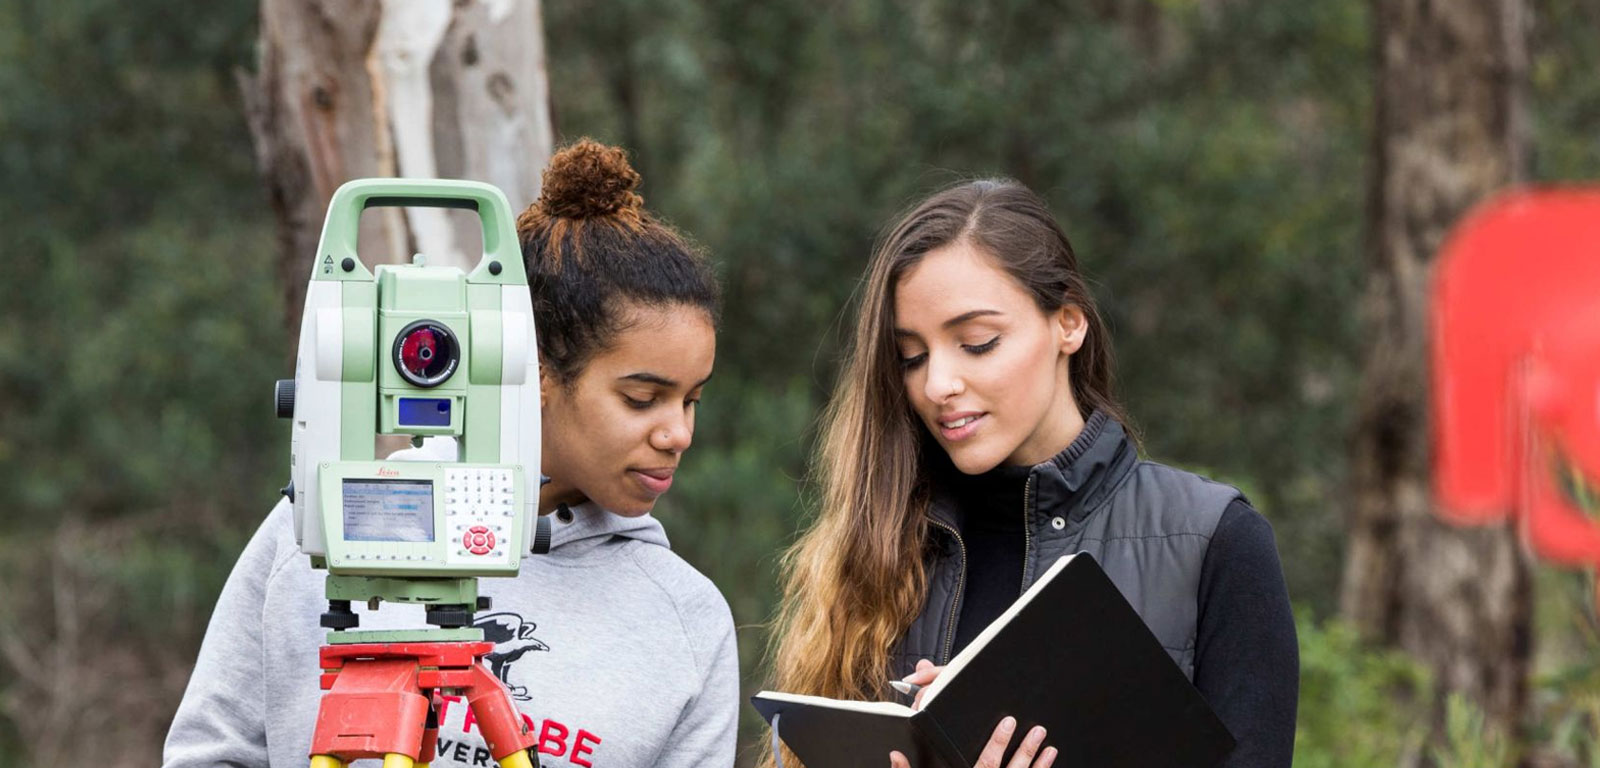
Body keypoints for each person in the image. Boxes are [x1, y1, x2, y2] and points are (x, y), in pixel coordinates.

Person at [164, 139, 738, 768]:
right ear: (534, 371)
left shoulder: (687, 619)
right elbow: (209, 752)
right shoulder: (318, 534)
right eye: (642, 398)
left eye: (691, 402)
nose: (677, 433)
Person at [767, 179, 1298, 768]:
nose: (937, 384)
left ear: (1068, 323)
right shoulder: (877, 548)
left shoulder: (1216, 540)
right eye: (910, 357)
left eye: (977, 342)